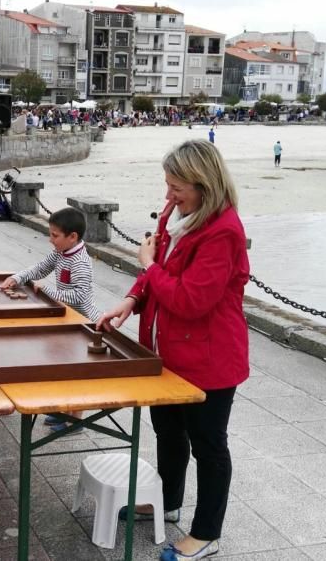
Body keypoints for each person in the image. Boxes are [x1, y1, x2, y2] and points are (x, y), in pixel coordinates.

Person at [97, 140, 249, 561]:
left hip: (210, 359)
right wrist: (132, 299)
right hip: (166, 353)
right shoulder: (175, 215)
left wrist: (147, 265)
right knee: (168, 433)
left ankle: (206, 534)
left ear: (205, 184)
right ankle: (168, 503)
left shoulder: (223, 231)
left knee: (208, 446)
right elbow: (159, 271)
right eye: (167, 185)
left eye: (177, 187)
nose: (168, 196)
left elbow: (189, 300)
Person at [1, 207, 101, 432]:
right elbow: (40, 268)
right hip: (68, 320)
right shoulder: (61, 253)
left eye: (55, 235)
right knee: (65, 369)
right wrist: (17, 277)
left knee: (77, 374)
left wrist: (48, 293)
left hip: (84, 324)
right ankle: (64, 411)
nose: (50, 239)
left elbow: (79, 296)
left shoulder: (81, 262)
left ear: (72, 237)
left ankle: (75, 421)